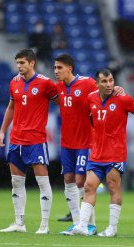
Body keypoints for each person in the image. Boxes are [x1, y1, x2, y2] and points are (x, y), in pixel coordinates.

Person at [72, 69, 134, 237]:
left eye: (111, 80)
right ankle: (82, 226)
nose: (109, 84)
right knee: (89, 186)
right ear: (97, 84)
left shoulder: (123, 98)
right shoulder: (91, 98)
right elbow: (91, 119)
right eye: (104, 81)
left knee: (113, 188)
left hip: (115, 154)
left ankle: (112, 228)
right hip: (96, 153)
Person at [0, 49, 57, 234]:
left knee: (42, 182)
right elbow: (11, 108)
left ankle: (44, 225)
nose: (19, 66)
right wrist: (2, 132)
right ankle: (19, 223)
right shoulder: (14, 83)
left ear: (32, 63)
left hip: (36, 140)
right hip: (16, 139)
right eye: (17, 63)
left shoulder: (46, 83)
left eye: (22, 63)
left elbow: (63, 100)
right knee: (16, 182)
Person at [53, 54, 97, 235]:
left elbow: (104, 95)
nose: (56, 71)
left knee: (81, 181)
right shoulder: (59, 87)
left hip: (85, 141)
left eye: (59, 68)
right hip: (66, 142)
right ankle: (78, 222)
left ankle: (90, 224)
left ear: (70, 68)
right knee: (69, 180)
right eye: (54, 68)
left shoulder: (87, 83)